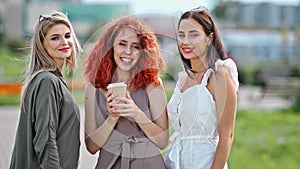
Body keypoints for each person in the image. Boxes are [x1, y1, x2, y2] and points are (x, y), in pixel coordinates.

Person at [83, 16, 168, 169]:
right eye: (122, 44)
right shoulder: (93, 87)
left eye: (135, 46)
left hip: (148, 163)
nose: (128, 52)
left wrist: (135, 113)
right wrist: (113, 117)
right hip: (109, 163)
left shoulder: (152, 85)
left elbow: (162, 141)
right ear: (110, 47)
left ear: (143, 51)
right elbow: (91, 147)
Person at [164, 6, 239, 169]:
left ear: (209, 38)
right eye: (181, 35)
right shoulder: (183, 79)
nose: (185, 41)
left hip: (205, 163)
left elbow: (227, 137)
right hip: (176, 162)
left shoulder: (219, 75)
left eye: (194, 34)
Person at [9, 11, 82, 169]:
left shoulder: (52, 80)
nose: (64, 42)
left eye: (67, 36)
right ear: (42, 45)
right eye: (55, 38)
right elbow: (46, 141)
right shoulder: (47, 81)